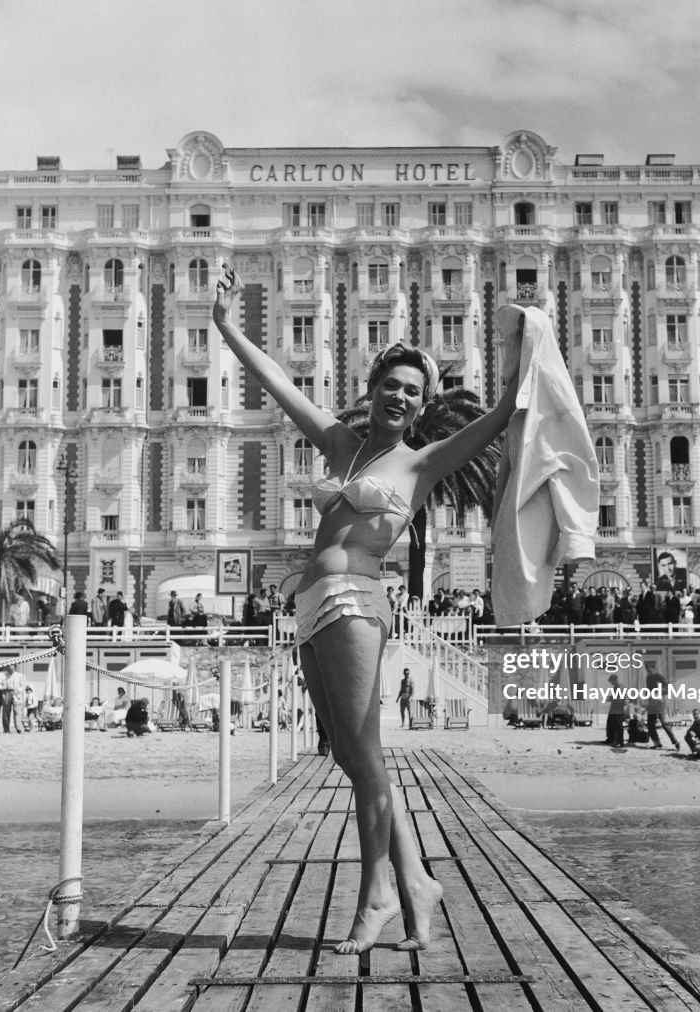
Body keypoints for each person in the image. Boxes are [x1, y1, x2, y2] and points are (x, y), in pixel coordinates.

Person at [213, 269, 518, 954]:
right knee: (349, 755)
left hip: (357, 601)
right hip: (311, 605)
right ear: (373, 388)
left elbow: (498, 417)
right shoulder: (340, 444)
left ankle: (376, 891)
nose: (401, 398)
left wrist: (526, 355)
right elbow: (281, 386)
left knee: (367, 756)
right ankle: (416, 879)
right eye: (392, 385)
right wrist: (229, 327)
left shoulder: (424, 463)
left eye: (414, 392)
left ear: (421, 405)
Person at [645, 663, 680, 750]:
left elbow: (667, 690)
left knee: (664, 723)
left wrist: (659, 688)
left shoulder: (660, 677)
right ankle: (657, 743)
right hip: (651, 702)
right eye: (647, 670)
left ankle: (675, 741)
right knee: (650, 724)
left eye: (650, 670)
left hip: (660, 703)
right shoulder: (648, 677)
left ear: (653, 668)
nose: (648, 672)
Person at [604, 673, 626, 747]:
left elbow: (620, 699)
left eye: (611, 682)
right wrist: (610, 697)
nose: (611, 683)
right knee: (612, 724)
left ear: (615, 680)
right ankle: (613, 739)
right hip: (614, 708)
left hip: (618, 708)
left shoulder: (620, 687)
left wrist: (610, 699)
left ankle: (620, 742)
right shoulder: (616, 687)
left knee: (618, 726)